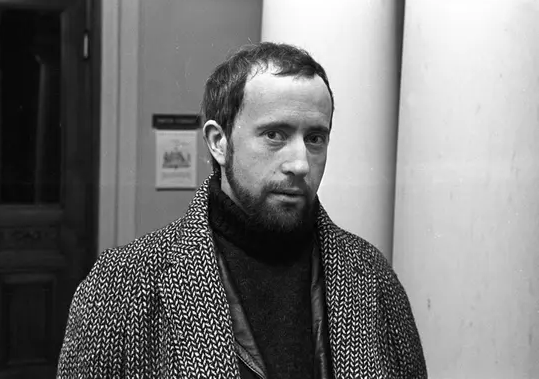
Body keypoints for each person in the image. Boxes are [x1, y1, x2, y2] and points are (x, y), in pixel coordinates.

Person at [57, 42, 427, 378]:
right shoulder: (122, 284)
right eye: (275, 135)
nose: (300, 163)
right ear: (219, 142)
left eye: (315, 138)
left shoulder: (372, 278)